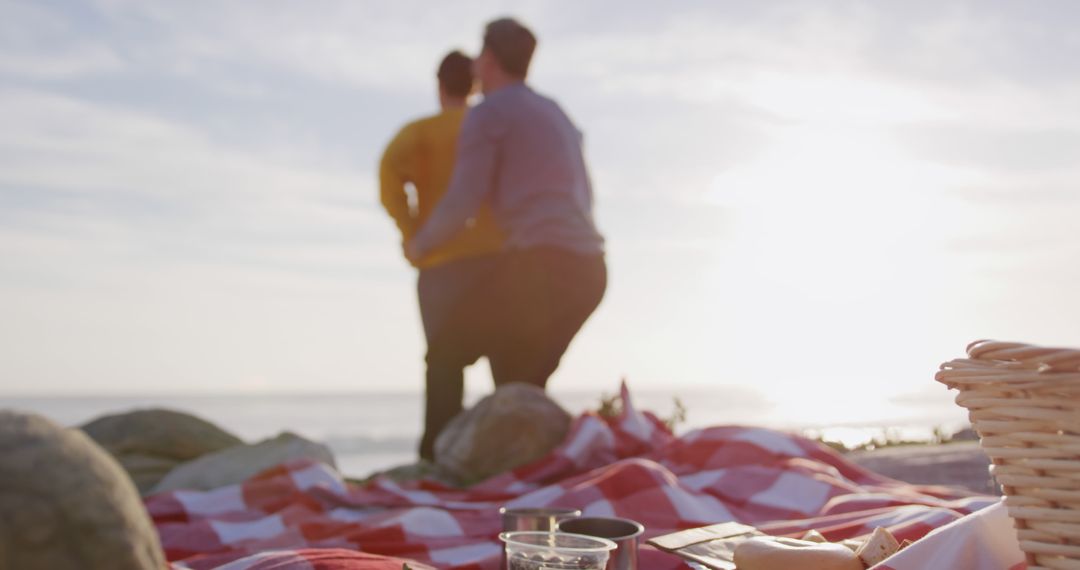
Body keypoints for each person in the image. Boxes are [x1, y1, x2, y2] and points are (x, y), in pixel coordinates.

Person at [407, 18, 606, 392]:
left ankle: (436, 451)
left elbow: (463, 201)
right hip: (591, 273)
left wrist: (421, 244)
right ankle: (533, 448)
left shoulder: (489, 113)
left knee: (446, 353)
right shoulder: (554, 111)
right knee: (519, 377)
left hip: (541, 264)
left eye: (480, 54)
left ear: (490, 60)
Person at [379, 51, 504, 461]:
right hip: (498, 261)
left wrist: (410, 232)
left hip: (440, 266)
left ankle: (437, 456)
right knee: (505, 358)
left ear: (439, 85)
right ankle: (510, 448)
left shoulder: (419, 132)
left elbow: (388, 178)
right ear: (473, 84)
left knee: (443, 363)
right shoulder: (487, 126)